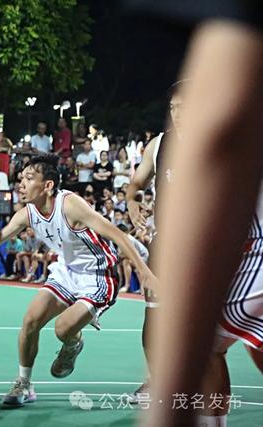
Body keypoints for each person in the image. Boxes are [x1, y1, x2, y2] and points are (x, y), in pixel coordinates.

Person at [131, 5, 263, 426]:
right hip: (190, 246)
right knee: (195, 339)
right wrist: (137, 215)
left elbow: (222, 132)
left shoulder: (220, 113)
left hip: (244, 251)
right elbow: (135, 187)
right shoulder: (160, 145)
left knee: (202, 339)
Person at [0, 154, 156, 407]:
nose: (21, 184)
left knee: (62, 329)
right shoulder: (27, 213)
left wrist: (144, 272)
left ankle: (73, 343)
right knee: (30, 320)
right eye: (21, 178)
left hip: (98, 275)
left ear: (47, 185)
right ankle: (24, 383)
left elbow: (118, 235)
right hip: (66, 272)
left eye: (28, 178)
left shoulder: (70, 205)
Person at [125, 81, 184, 402]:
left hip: (206, 248)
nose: (178, 114)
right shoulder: (159, 145)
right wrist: (133, 204)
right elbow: (135, 186)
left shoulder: (217, 140)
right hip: (164, 245)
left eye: (184, 107)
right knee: (155, 313)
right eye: (173, 108)